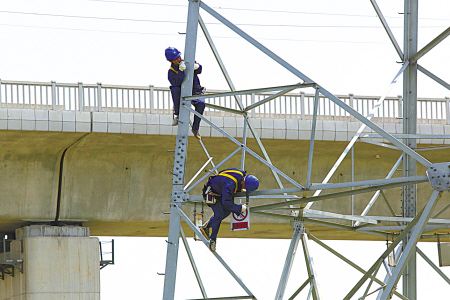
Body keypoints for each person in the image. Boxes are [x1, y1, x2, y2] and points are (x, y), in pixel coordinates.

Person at [200, 168, 259, 252]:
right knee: (219, 214)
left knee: (227, 211)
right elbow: (226, 203)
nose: (244, 189)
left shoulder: (240, 174)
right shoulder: (230, 184)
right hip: (211, 193)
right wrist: (239, 208)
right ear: (243, 182)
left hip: (221, 191)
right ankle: (213, 240)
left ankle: (207, 226)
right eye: (244, 187)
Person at [165, 46, 205, 140]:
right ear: (171, 61)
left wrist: (197, 66)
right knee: (174, 90)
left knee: (201, 104)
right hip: (181, 92)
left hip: (194, 90)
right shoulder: (171, 72)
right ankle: (178, 114)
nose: (179, 59)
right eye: (176, 59)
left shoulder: (188, 61)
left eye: (179, 56)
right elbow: (176, 83)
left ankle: (195, 128)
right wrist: (180, 71)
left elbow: (199, 70)